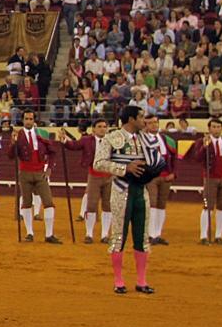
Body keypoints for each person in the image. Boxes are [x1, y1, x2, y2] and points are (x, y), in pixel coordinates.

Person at [94, 105, 160, 294]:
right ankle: (119, 281)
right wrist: (125, 169)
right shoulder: (112, 138)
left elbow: (155, 160)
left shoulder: (146, 139)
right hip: (121, 191)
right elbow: (98, 163)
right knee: (118, 237)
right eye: (141, 117)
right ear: (131, 119)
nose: (144, 121)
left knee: (142, 237)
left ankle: (141, 281)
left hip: (141, 191)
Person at [12, 111, 63, 243]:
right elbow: (11, 155)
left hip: (40, 172)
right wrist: (13, 143)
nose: (28, 121)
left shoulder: (41, 134)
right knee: (27, 203)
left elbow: (53, 152)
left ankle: (49, 234)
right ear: (23, 120)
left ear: (34, 120)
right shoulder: (18, 134)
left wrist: (49, 168)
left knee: (49, 203)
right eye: (26, 119)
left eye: (31, 119)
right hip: (25, 173)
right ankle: (29, 233)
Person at [63, 120, 112, 244]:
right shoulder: (87, 140)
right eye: (99, 127)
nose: (102, 129)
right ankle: (89, 234)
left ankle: (105, 235)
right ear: (93, 129)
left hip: (110, 176)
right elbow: (74, 145)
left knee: (108, 206)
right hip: (94, 176)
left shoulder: (112, 141)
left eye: (104, 127)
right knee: (91, 205)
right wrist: (64, 141)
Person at [185, 118, 222, 245]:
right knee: (207, 207)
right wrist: (205, 147)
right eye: (214, 127)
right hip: (210, 178)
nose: (216, 129)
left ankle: (219, 236)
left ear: (221, 129)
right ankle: (203, 236)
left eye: (218, 127)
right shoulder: (202, 141)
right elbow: (197, 158)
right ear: (209, 128)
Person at [141, 114, 176, 245]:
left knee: (161, 205)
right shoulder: (142, 141)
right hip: (151, 177)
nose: (154, 125)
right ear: (146, 125)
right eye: (150, 123)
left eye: (155, 122)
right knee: (152, 204)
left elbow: (174, 158)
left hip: (166, 176)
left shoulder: (167, 140)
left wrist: (174, 173)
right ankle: (150, 234)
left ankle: (157, 234)